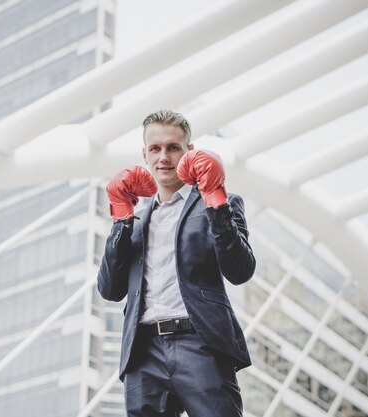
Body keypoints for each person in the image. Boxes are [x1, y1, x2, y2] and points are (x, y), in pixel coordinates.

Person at [97, 110, 256, 416]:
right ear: (145, 155)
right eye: (155, 149)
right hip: (143, 353)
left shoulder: (221, 202)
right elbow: (110, 289)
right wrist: (121, 219)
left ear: (189, 152)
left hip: (200, 343)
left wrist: (215, 201)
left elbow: (240, 270)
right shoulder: (136, 220)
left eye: (173, 147)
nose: (164, 157)